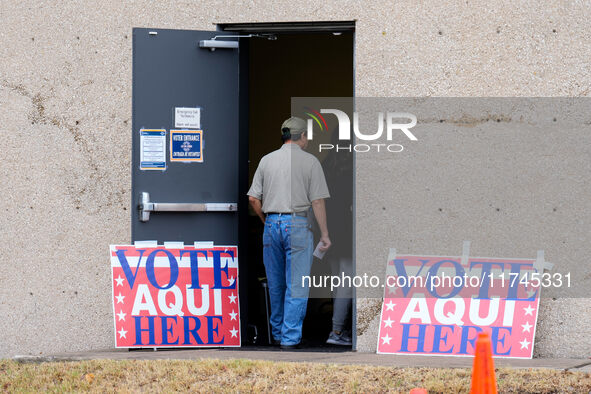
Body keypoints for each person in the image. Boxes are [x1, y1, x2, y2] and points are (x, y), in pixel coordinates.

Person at [247, 116, 331, 349]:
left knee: (275, 284)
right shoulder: (311, 162)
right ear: (302, 136)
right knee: (297, 285)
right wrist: (324, 233)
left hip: (272, 225)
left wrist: (267, 221)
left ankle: (277, 334)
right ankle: (290, 338)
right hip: (298, 225)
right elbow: (318, 202)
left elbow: (254, 199)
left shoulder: (266, 160)